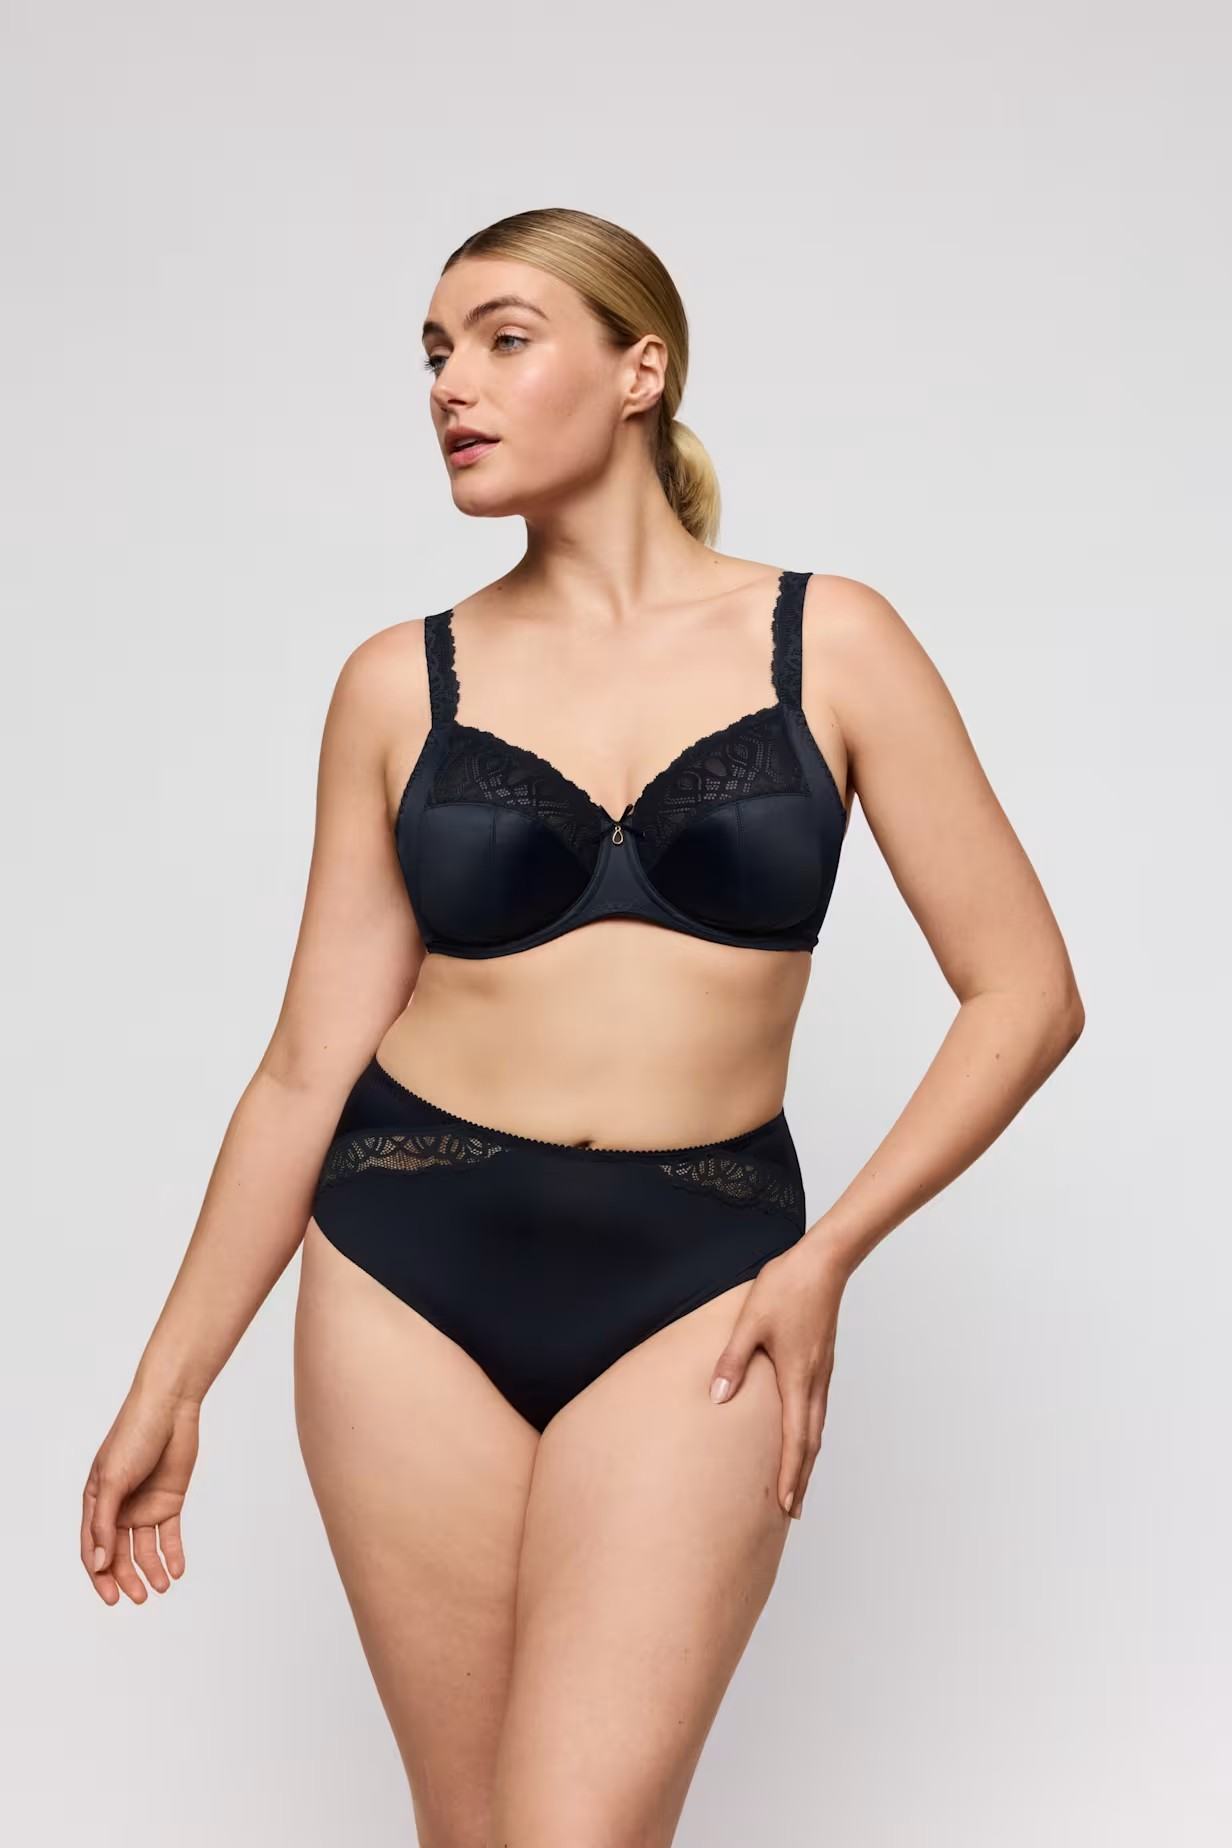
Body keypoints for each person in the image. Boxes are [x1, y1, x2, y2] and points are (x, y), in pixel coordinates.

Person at [81, 206, 1085, 1844]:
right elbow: (302, 1070)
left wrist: (830, 1256)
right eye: (432, 353)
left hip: (708, 1279)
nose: (449, 385)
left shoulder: (832, 641)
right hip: (406, 1265)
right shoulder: (398, 681)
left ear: (641, 370)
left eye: (502, 339)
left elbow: (1028, 992)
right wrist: (170, 1381)